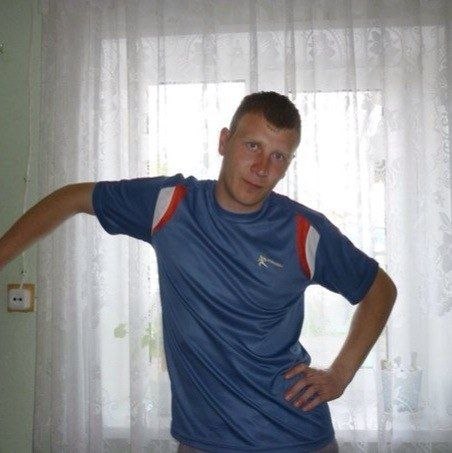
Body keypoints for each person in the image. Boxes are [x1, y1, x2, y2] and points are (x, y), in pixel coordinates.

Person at [0, 92, 397, 452]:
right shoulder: (170, 205)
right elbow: (72, 198)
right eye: (253, 146)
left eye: (278, 156)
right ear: (225, 141)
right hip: (202, 440)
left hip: (295, 436)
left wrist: (340, 374)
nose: (262, 167)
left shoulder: (303, 231)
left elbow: (379, 289)